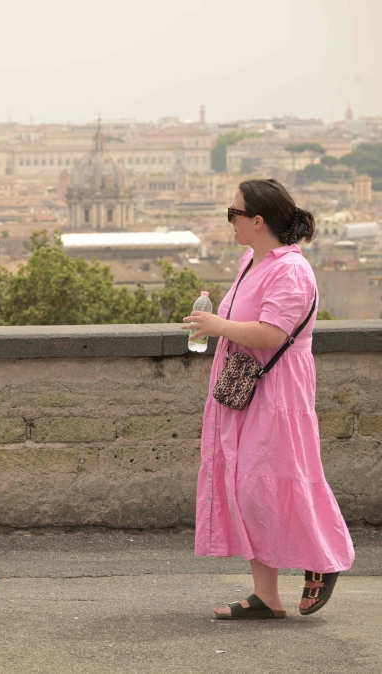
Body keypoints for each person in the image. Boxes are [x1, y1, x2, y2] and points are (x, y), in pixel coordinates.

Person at [183, 178, 354, 619]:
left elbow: (272, 333)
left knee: (283, 478)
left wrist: (217, 326)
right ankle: (267, 596)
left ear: (257, 221)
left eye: (233, 213)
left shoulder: (292, 271)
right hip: (247, 386)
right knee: (251, 487)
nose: (230, 220)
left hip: (277, 391)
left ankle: (324, 560)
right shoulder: (251, 260)